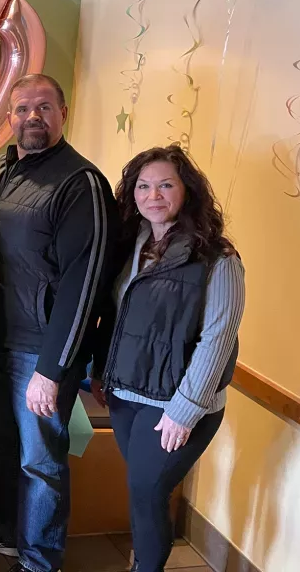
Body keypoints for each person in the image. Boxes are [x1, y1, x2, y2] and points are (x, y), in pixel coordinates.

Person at [0, 74, 119, 572]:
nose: (33, 116)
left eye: (44, 107)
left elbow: (85, 283)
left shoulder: (82, 182)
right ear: (9, 117)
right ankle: (10, 536)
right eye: (22, 108)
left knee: (41, 464)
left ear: (63, 113)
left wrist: (52, 369)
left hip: (40, 353)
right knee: (2, 448)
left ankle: (39, 561)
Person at [90, 145, 244, 572]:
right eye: (142, 185)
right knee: (142, 490)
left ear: (187, 191)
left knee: (147, 490)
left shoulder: (218, 259)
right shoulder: (134, 243)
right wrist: (102, 372)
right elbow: (118, 316)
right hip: (125, 395)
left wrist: (185, 410)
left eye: (165, 185)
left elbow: (217, 340)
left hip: (175, 406)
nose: (152, 194)